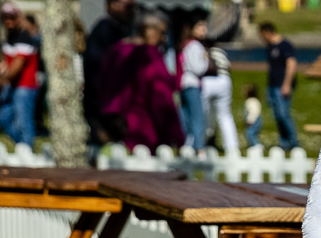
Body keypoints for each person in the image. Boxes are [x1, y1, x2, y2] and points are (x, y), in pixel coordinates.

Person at [98, 10, 183, 149]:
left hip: (110, 125)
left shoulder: (115, 50)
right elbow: (160, 96)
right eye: (162, 32)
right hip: (141, 129)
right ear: (148, 30)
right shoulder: (149, 55)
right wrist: (175, 134)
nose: (164, 39)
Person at [83, 0, 136, 134]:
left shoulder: (121, 30)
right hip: (102, 102)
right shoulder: (104, 30)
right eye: (128, 6)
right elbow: (99, 64)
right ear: (112, 5)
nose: (131, 11)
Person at [0, 5, 43, 147]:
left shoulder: (23, 35)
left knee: (24, 121)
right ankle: (22, 146)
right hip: (13, 85)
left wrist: (0, 80)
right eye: (5, 17)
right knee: (3, 116)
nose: (8, 21)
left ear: (18, 17)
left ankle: (27, 150)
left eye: (12, 17)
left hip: (25, 86)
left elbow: (18, 65)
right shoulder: (11, 35)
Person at [248, 22, 298, 150]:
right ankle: (284, 142)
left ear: (267, 32)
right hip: (272, 85)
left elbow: (291, 64)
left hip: (282, 85)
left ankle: (294, 142)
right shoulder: (270, 47)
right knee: (276, 115)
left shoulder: (285, 46)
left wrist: (287, 84)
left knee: (283, 114)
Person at [177, 16, 212, 150]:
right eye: (200, 26)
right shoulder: (195, 46)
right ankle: (199, 147)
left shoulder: (186, 45)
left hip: (184, 84)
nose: (204, 29)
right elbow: (198, 68)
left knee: (186, 117)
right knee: (198, 117)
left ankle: (186, 145)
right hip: (192, 84)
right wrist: (206, 60)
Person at [199, 46, 237, 152]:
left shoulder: (202, 49)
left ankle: (202, 142)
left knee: (203, 114)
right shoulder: (220, 51)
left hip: (207, 80)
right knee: (225, 116)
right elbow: (228, 65)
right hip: (224, 79)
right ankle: (232, 146)